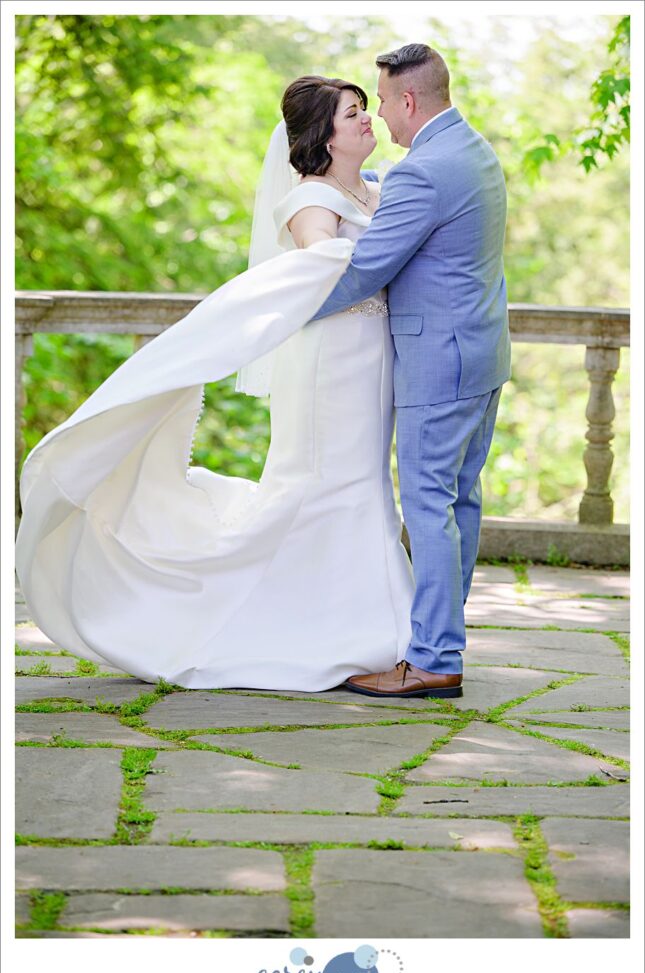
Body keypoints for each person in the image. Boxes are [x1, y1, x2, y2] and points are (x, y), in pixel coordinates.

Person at [15, 74, 425, 694]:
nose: (367, 118)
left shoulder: (375, 191)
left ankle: (358, 626)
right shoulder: (311, 200)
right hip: (327, 369)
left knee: (364, 482)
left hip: (371, 365)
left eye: (366, 109)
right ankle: (350, 634)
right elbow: (320, 257)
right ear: (323, 134)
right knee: (327, 484)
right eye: (352, 112)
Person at [312, 43, 511, 699]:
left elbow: (370, 267)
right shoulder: (474, 150)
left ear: (407, 99)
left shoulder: (423, 171)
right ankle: (441, 642)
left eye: (383, 104)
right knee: (458, 500)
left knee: (428, 505)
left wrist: (296, 309)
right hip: (480, 353)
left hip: (438, 361)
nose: (382, 123)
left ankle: (431, 657)